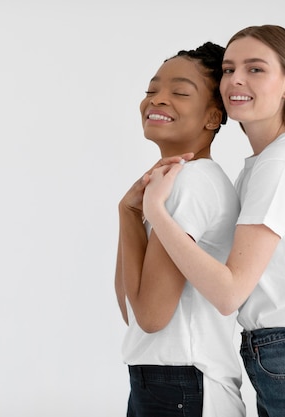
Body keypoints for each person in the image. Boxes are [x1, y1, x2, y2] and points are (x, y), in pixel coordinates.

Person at [142, 25, 285, 417]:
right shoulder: (260, 166)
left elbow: (229, 292)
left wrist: (156, 213)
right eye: (229, 69)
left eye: (255, 69)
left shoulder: (283, 164)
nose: (236, 80)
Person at [115, 42, 246, 417]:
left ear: (212, 117)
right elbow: (129, 307)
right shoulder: (171, 184)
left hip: (183, 383)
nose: (157, 100)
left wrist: (147, 212)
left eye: (180, 92)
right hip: (163, 379)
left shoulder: (191, 184)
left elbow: (151, 317)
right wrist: (128, 213)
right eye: (151, 91)